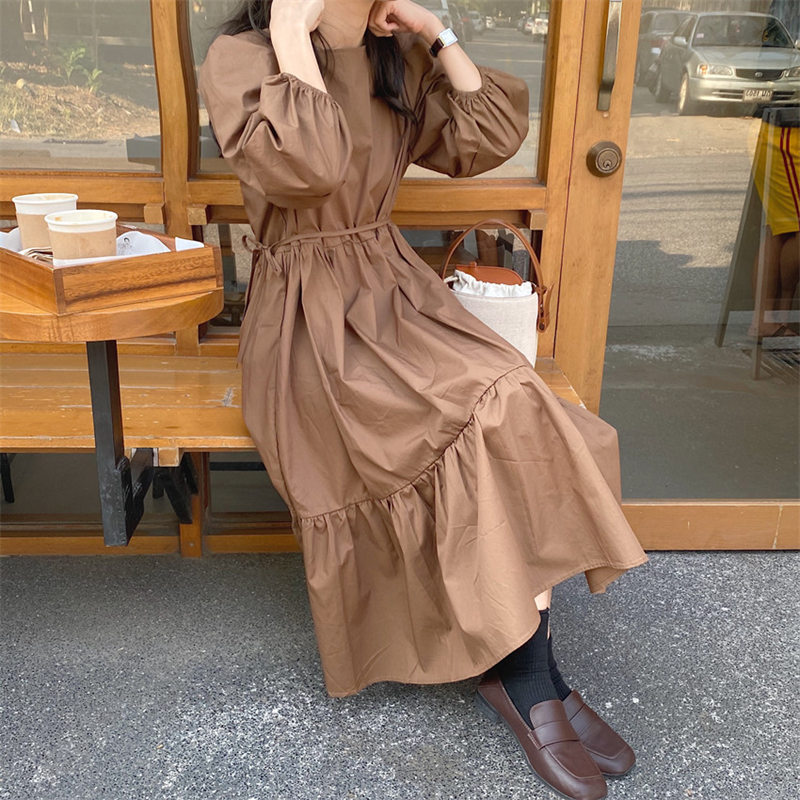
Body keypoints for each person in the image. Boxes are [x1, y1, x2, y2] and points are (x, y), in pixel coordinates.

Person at [199, 2, 647, 797]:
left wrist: (435, 30)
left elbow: (485, 136)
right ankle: (532, 683)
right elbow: (308, 170)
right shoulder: (243, 57)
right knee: (482, 412)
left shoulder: (392, 58)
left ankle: (527, 671)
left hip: (394, 292)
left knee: (515, 399)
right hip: (307, 318)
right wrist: (293, 35)